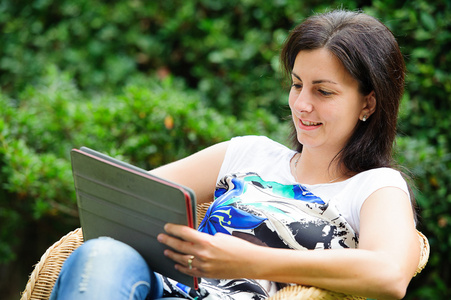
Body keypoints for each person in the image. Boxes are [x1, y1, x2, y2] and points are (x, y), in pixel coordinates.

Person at [50, 9, 421, 300]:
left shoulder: (375, 186)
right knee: (101, 256)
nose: (302, 105)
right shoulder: (249, 153)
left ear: (367, 103)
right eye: (296, 85)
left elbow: (389, 275)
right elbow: (128, 197)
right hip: (152, 285)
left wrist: (248, 260)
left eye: (323, 92)